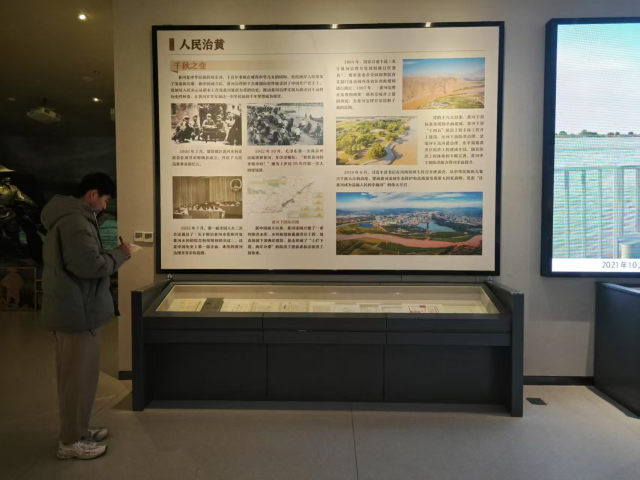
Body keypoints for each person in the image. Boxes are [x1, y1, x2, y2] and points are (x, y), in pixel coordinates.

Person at [41, 173, 131, 460]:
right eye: (105, 199)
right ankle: (71, 441)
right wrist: (120, 254)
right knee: (76, 380)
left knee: (81, 378)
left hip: (78, 310)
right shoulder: (75, 222)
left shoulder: (74, 218)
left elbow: (85, 259)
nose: (105, 206)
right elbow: (90, 266)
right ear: (93, 194)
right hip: (76, 313)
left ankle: (79, 430)